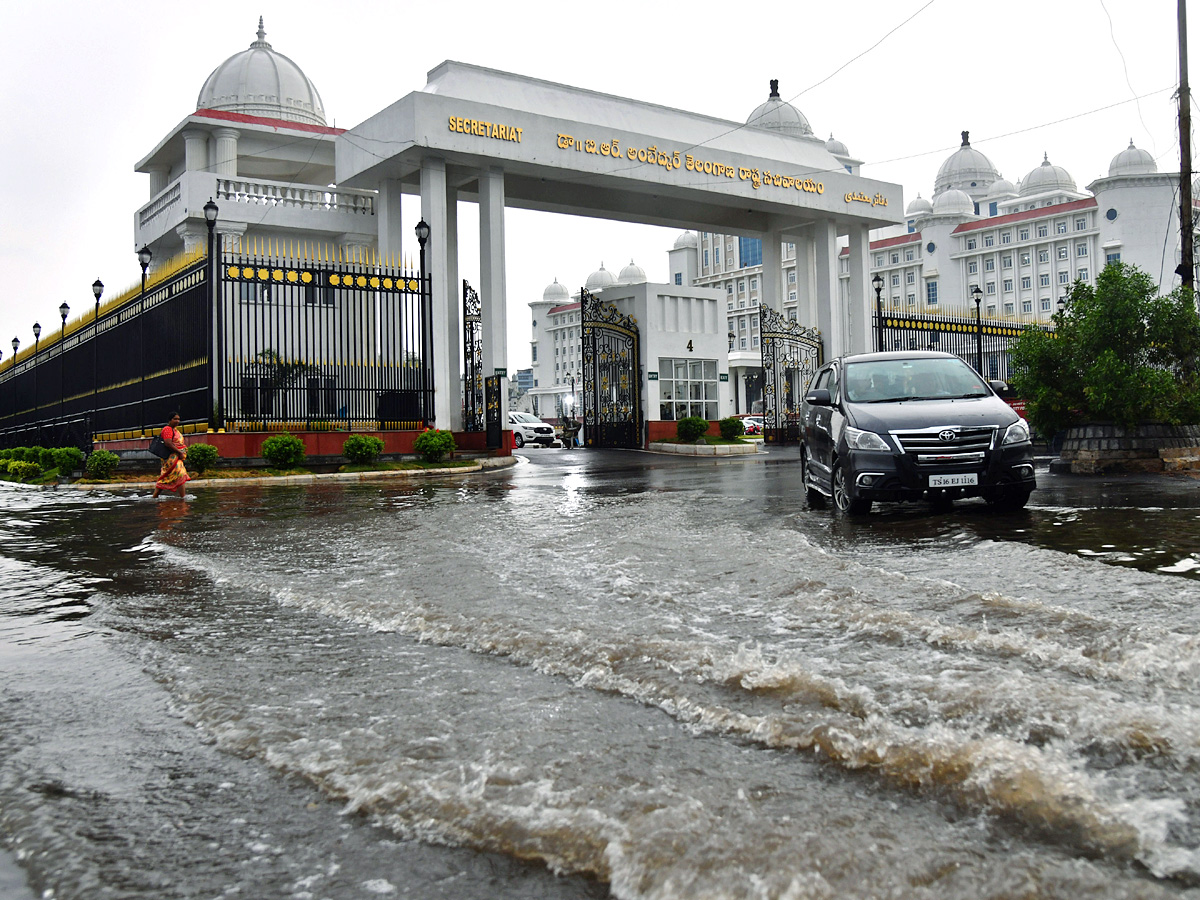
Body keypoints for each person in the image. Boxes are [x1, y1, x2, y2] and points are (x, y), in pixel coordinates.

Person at [151, 412, 190, 499]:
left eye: (178, 419)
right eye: (175, 419)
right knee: (179, 474)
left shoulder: (176, 430)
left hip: (177, 457)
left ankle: (156, 496)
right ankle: (183, 496)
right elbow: (168, 443)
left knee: (177, 475)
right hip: (170, 458)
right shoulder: (167, 429)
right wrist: (179, 452)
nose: (177, 421)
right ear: (170, 420)